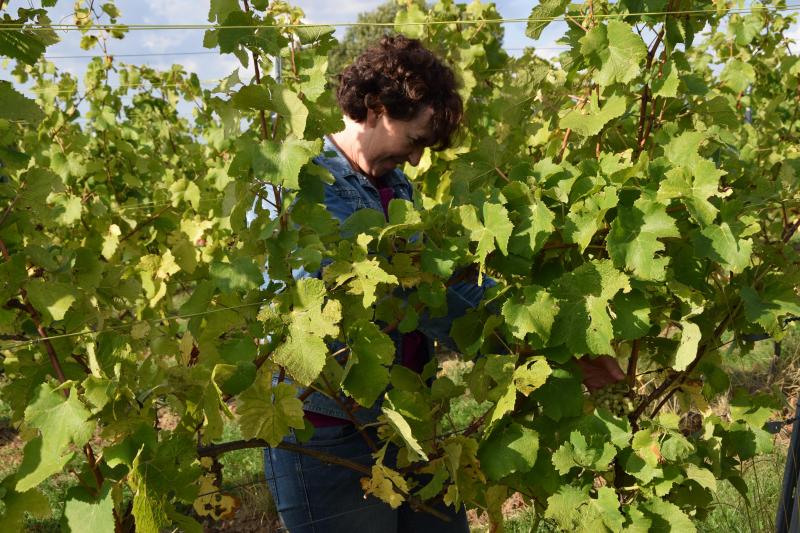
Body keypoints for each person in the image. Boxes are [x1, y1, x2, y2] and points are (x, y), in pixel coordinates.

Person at [263, 34, 623, 533]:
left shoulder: (395, 186)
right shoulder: (303, 184)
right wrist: (505, 333)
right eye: (415, 142)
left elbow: (441, 281)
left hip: (410, 420)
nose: (416, 161)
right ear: (376, 107)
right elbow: (386, 292)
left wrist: (555, 339)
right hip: (329, 433)